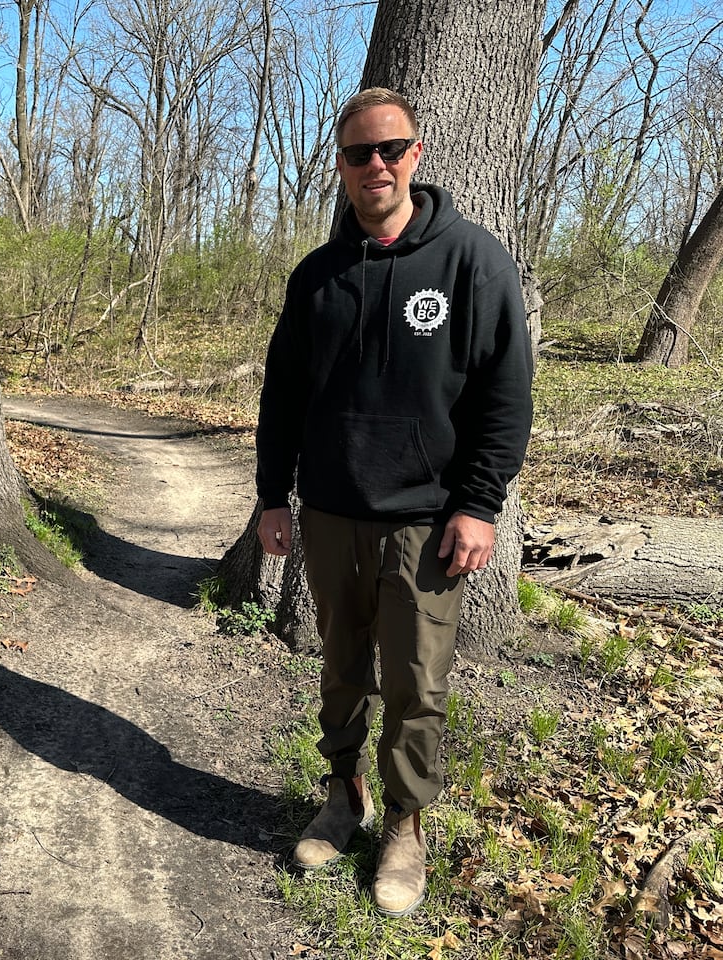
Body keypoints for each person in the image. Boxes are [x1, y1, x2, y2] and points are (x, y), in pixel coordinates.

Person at [255, 87, 532, 916]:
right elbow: (282, 397)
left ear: (415, 155)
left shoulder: (471, 261)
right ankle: (344, 796)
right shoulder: (317, 277)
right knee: (341, 672)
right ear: (339, 166)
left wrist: (479, 504)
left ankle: (406, 825)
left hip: (426, 522)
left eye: (389, 149)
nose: (374, 165)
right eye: (357, 154)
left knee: (415, 685)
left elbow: (505, 395)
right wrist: (273, 497)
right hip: (332, 515)